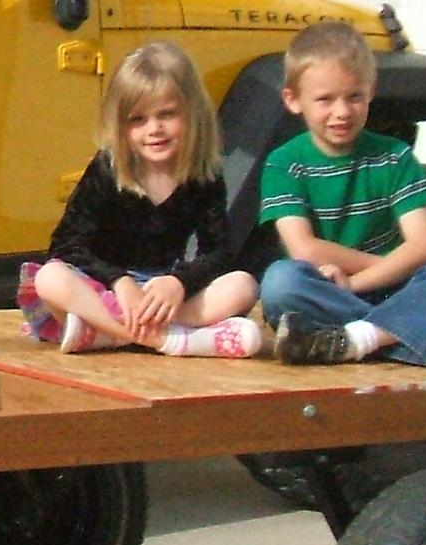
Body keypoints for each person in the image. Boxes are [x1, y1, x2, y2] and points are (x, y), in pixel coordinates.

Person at [257, 19, 426, 366]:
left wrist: (356, 283)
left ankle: (353, 339)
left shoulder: (393, 156)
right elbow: (305, 249)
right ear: (293, 100)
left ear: (371, 91)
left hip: (389, 288)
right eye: (325, 99)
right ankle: (412, 336)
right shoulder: (284, 164)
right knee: (280, 283)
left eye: (354, 96)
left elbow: (425, 246)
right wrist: (391, 266)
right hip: (326, 285)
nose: (342, 112)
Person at [17, 40, 262, 358]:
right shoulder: (109, 168)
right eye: (138, 119)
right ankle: (169, 340)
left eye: (168, 114)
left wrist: (178, 282)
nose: (154, 129)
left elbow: (218, 251)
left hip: (160, 293)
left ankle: (108, 334)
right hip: (103, 288)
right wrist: (119, 282)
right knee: (50, 278)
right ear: (120, 125)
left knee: (243, 285)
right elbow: (66, 243)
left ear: (193, 113)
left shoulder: (203, 173)